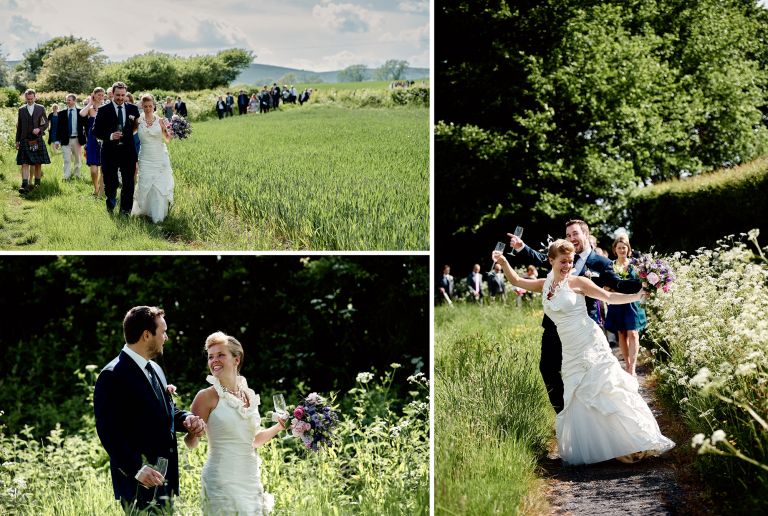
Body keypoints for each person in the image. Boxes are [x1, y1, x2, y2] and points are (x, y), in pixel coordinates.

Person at [493, 240, 674, 465]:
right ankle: (602, 446)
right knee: (579, 396)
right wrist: (503, 261)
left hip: (589, 342)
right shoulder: (545, 283)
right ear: (551, 261)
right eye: (563, 261)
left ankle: (633, 441)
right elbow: (517, 280)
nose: (567, 265)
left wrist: (637, 296)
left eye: (570, 261)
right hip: (570, 349)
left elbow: (608, 297)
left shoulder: (578, 282)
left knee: (605, 389)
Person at [508, 219, 641, 413]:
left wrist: (644, 283)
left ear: (586, 234)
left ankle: (599, 413)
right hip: (554, 326)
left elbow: (617, 285)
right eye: (568, 235)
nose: (571, 238)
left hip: (583, 331)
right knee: (548, 370)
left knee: (588, 376)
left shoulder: (601, 263)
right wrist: (522, 247)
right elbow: (542, 258)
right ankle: (564, 414)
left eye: (575, 234)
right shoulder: (562, 255)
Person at [93, 306, 207, 512]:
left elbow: (165, 412)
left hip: (165, 479)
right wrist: (136, 469)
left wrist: (187, 419)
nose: (166, 337)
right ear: (147, 335)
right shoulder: (112, 375)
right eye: (163, 332)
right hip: (139, 484)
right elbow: (108, 432)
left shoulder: (154, 367)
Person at [185, 331, 286, 514]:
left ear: (236, 360)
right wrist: (193, 432)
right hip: (221, 479)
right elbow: (191, 443)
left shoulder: (249, 395)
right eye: (210, 357)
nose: (214, 360)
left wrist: (279, 426)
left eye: (221, 355)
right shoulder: (205, 396)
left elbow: (253, 440)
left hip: (249, 477)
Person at [93, 81, 140, 215]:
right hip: (109, 151)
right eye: (118, 95)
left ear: (126, 95)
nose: (120, 98)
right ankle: (111, 203)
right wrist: (110, 135)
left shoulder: (133, 109)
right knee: (111, 181)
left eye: (123, 95)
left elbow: (136, 126)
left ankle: (125, 210)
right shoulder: (103, 110)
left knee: (128, 182)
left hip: (128, 151)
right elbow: (96, 131)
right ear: (112, 94)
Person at [604, 234, 647, 376]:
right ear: (615, 250)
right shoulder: (610, 265)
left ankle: (632, 367)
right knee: (621, 333)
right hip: (617, 302)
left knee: (633, 333)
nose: (622, 250)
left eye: (624, 248)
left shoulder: (636, 264)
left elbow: (644, 281)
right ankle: (627, 363)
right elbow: (606, 284)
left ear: (628, 249)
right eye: (619, 248)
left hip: (633, 303)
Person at [131, 94, 174, 223]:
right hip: (145, 156)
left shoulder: (161, 120)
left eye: (150, 106)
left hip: (159, 156)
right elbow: (129, 135)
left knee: (158, 186)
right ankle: (143, 210)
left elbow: (167, 139)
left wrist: (170, 130)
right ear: (142, 107)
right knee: (145, 183)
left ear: (154, 106)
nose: (148, 109)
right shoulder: (138, 121)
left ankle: (158, 216)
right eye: (145, 106)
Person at [15, 88, 50, 194]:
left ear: (35, 97)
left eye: (31, 99)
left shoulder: (40, 108)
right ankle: (24, 185)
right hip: (25, 139)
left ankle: (37, 184)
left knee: (38, 163)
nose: (30, 100)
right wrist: (17, 140)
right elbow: (19, 126)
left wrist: (39, 129)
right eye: (28, 99)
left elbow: (46, 123)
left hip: (37, 139)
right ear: (25, 98)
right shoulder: (21, 110)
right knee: (24, 163)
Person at [53, 94, 86, 181]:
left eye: (69, 100)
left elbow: (86, 126)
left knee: (77, 159)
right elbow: (58, 128)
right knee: (66, 159)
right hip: (65, 139)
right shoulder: (62, 113)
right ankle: (66, 176)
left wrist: (86, 139)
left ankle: (77, 176)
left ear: (74, 101)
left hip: (77, 140)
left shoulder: (80, 112)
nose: (67, 101)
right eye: (67, 100)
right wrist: (57, 141)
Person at [80, 88, 105, 196]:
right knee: (94, 170)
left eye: (102, 95)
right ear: (93, 95)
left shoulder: (106, 108)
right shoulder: (90, 108)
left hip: (104, 140)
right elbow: (81, 113)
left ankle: (101, 191)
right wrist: (90, 101)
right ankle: (96, 187)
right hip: (92, 140)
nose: (100, 97)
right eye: (98, 94)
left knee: (104, 168)